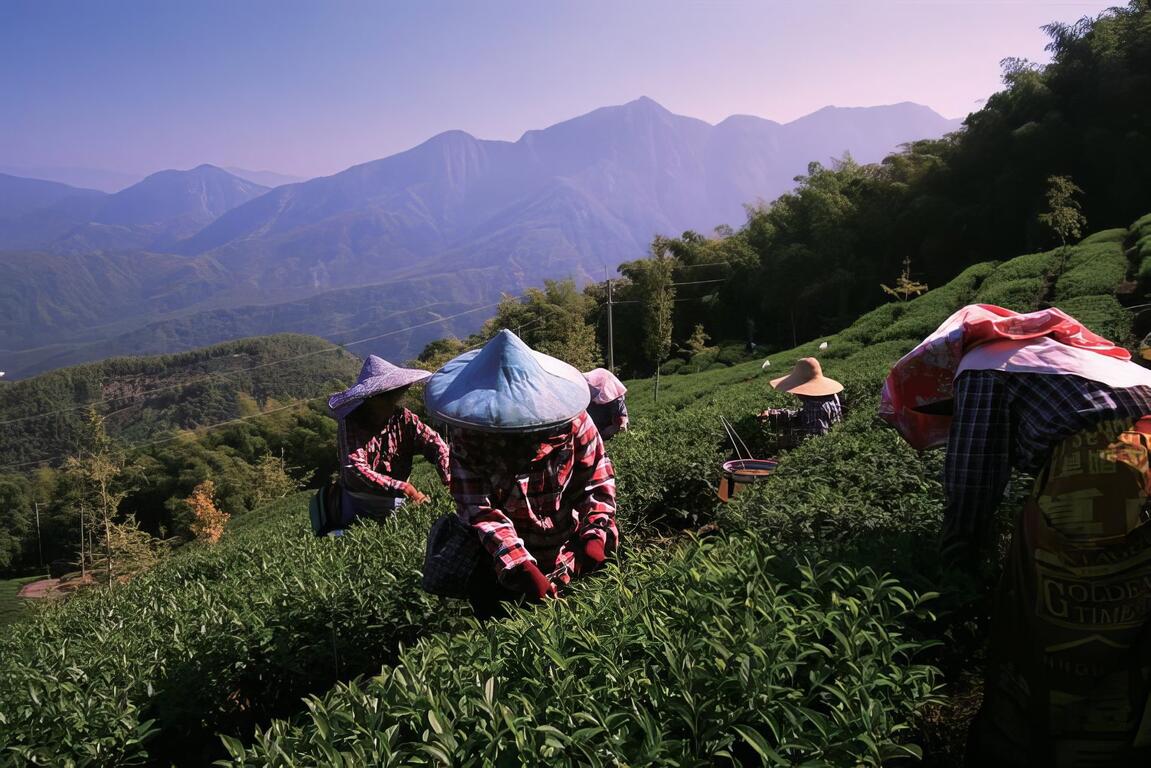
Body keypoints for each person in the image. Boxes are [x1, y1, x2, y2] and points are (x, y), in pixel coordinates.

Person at [880, 304, 1151, 767]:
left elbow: (974, 478)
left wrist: (957, 558)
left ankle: (1057, 747)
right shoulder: (1060, 353)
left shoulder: (984, 365)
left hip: (1107, 478)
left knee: (1058, 627)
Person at [425, 330, 618, 619]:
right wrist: (521, 567)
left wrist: (595, 533)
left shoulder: (574, 424)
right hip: (500, 558)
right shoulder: (469, 440)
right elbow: (480, 511)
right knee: (509, 628)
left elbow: (597, 480)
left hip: (568, 544)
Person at [327, 355, 450, 527]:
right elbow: (357, 467)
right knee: (357, 529)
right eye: (385, 398)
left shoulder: (402, 417)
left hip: (397, 499)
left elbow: (434, 442)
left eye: (394, 396)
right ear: (370, 399)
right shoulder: (351, 424)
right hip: (360, 501)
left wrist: (449, 478)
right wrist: (406, 489)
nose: (392, 403)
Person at [756, 357, 843, 440]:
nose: (794, 393)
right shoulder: (830, 396)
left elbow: (818, 440)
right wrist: (772, 414)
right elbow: (801, 416)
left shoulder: (815, 407)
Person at [583, 367, 629, 440]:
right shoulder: (587, 397)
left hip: (608, 431)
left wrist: (621, 424)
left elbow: (621, 419)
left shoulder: (615, 398)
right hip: (592, 431)